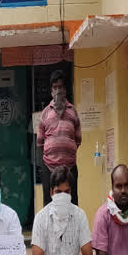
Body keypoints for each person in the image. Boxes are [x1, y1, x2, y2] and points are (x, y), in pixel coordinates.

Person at [37, 70, 82, 206]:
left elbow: (78, 139)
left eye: (60, 87)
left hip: (70, 167)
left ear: (65, 89)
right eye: (55, 87)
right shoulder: (45, 113)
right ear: (51, 90)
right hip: (49, 168)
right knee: (49, 204)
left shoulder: (73, 111)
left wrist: (66, 152)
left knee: (72, 203)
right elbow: (40, 142)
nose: (58, 91)